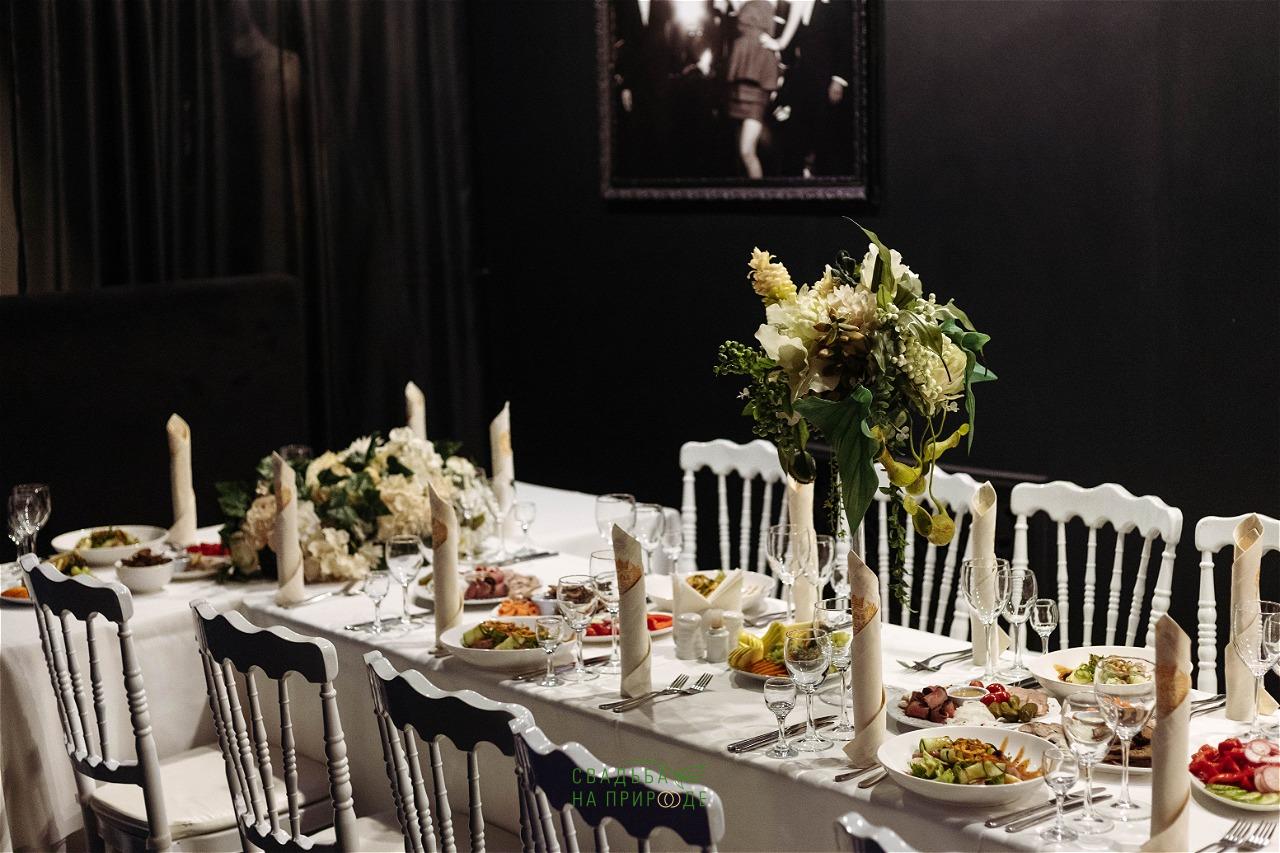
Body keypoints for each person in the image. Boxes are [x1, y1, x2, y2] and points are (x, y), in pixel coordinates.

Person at [765, 0, 854, 177]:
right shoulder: (793, 7)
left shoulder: (835, 5)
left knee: (824, 132)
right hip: (801, 81)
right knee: (795, 132)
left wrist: (838, 80)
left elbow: (845, 42)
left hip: (825, 80)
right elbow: (789, 46)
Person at [724, 0, 780, 178]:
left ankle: (763, 190)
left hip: (759, 70)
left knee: (746, 151)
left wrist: (780, 43)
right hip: (741, 69)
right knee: (741, 150)